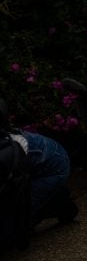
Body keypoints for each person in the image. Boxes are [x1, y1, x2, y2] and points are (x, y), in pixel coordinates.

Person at [1, 98, 77, 252]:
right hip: (33, 165)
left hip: (52, 168)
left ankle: (59, 204)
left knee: (12, 227)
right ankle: (56, 199)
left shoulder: (10, 147)